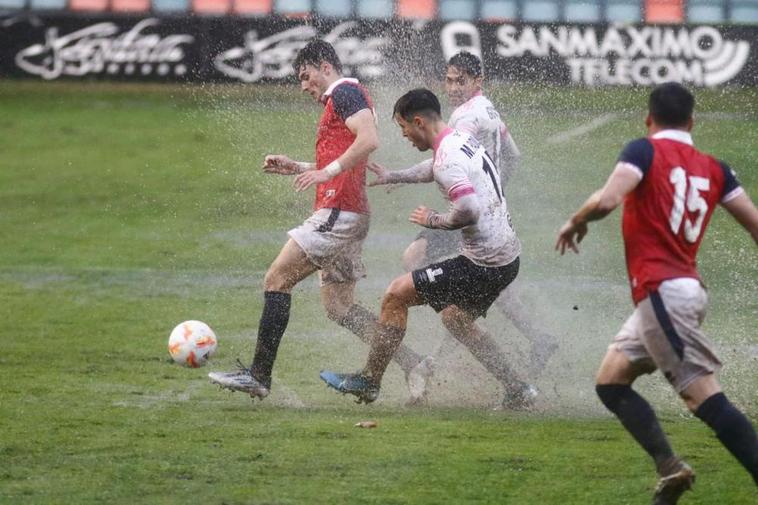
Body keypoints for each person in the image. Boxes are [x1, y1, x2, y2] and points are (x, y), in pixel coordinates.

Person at [556, 82, 758, 504]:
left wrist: (575, 220)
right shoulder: (716, 168)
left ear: (649, 120)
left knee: (701, 395)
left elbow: (609, 199)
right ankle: (671, 467)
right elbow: (755, 224)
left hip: (663, 295)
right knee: (611, 382)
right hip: (676, 295)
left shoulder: (643, 151)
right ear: (692, 121)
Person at [208, 39, 432, 401]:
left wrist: (326, 172)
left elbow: (370, 139)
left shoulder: (344, 92)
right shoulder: (346, 97)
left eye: (305, 75)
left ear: (325, 66)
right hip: (350, 213)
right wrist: (299, 167)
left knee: (276, 278)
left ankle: (259, 376)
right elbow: (351, 154)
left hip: (338, 213)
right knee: (339, 307)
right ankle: (412, 362)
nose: (303, 85)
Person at [320, 88, 535, 408]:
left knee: (396, 295)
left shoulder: (447, 157)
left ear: (418, 121)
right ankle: (518, 390)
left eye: (403, 127)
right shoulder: (457, 139)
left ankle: (368, 381)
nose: (404, 135)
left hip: (484, 264)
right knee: (455, 319)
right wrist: (396, 175)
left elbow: (469, 209)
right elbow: (433, 166)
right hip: (507, 258)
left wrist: (434, 219)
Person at [371, 52, 557, 381]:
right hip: (490, 219)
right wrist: (494, 191)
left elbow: (452, 178)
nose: (454, 87)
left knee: (416, 263)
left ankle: (441, 339)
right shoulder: (489, 112)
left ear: (477, 81)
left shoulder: (461, 120)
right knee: (482, 287)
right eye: (450, 80)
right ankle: (526, 342)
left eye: (461, 80)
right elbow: (513, 155)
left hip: (469, 214)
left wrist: (440, 215)